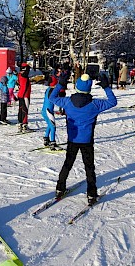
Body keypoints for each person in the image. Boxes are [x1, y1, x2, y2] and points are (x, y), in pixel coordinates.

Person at [49, 73, 117, 205]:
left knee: (68, 164)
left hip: (73, 140)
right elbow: (112, 102)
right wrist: (106, 87)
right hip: (87, 140)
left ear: (77, 87)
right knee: (89, 167)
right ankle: (91, 194)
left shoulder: (67, 102)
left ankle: (59, 188)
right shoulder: (95, 104)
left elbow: (52, 97)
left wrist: (60, 85)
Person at [41, 74, 61, 150]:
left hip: (45, 110)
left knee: (50, 125)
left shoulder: (48, 89)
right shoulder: (53, 91)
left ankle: (46, 138)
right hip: (48, 111)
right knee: (53, 127)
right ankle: (53, 142)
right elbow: (55, 100)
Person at [17, 63, 32, 132]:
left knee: (21, 109)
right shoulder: (24, 76)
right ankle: (24, 125)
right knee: (25, 110)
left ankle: (20, 123)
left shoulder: (20, 75)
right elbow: (24, 87)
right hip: (25, 96)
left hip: (21, 95)